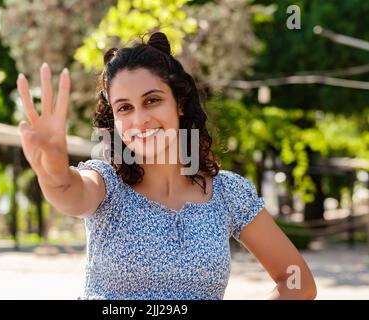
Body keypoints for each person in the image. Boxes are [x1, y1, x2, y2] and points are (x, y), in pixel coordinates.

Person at [16, 31, 317, 300]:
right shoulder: (106, 184)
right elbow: (69, 191)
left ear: (180, 103)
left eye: (152, 100)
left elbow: (298, 284)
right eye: (124, 108)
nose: (140, 120)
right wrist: (53, 171)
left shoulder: (229, 193)